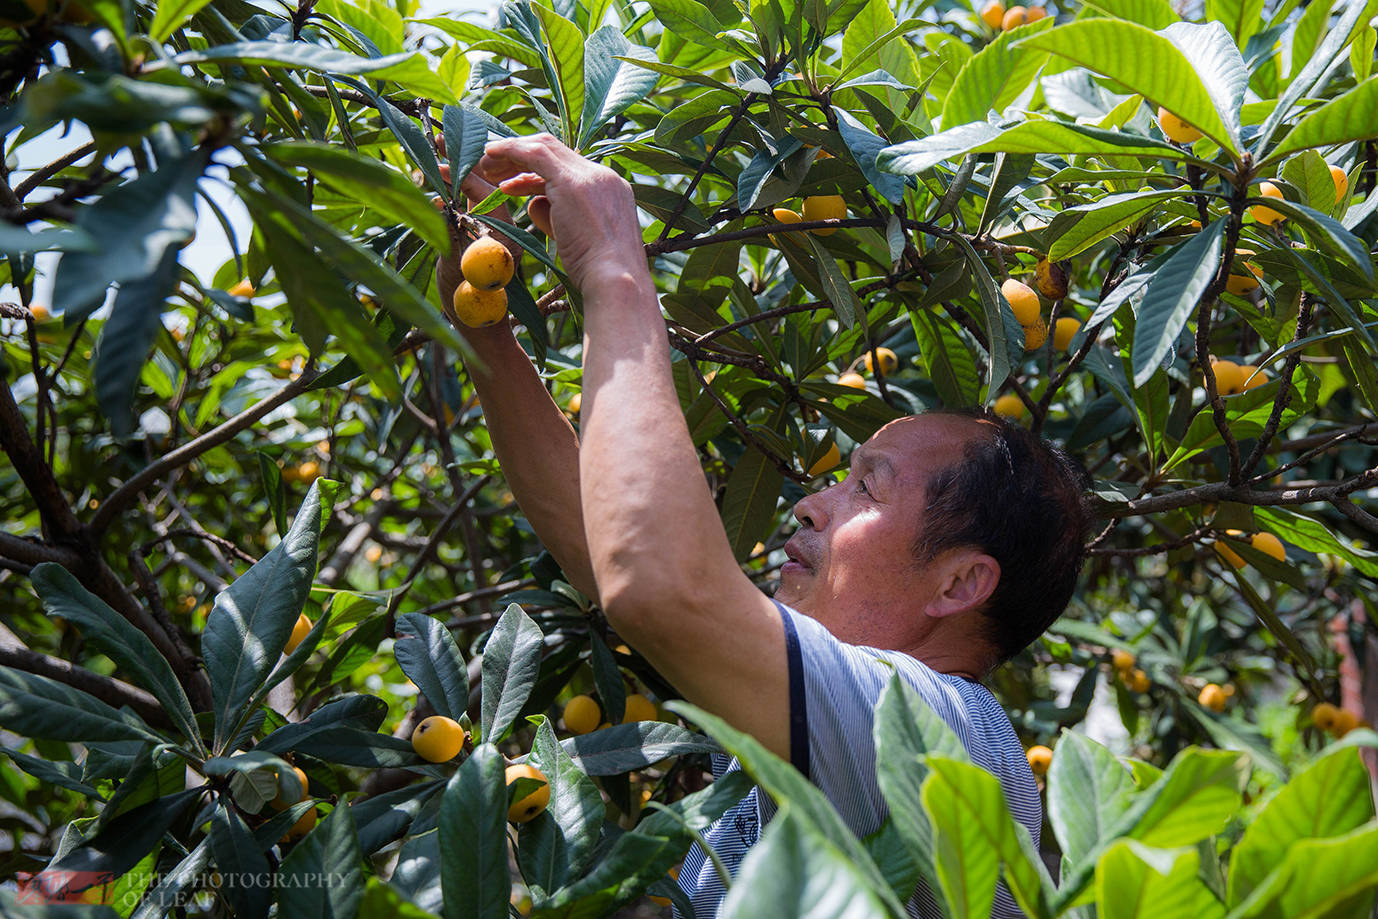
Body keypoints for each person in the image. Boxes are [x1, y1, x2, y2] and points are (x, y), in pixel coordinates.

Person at [435, 133, 1091, 917]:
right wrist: (480, 323)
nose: (815, 501)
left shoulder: (930, 729)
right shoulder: (829, 717)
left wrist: (615, 264)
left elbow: (658, 586)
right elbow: (600, 544)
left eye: (867, 492)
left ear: (959, 581)